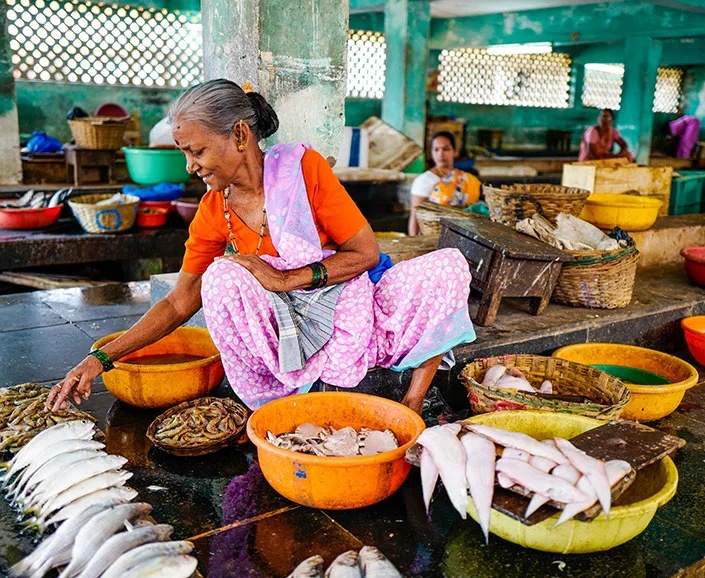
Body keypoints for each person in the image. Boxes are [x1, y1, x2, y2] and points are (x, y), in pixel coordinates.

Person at [47, 79, 476, 415]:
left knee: (449, 268)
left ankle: (413, 402)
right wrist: (101, 358)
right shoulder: (216, 209)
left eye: (196, 150)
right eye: (184, 153)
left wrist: (288, 278)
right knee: (222, 277)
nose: (189, 166)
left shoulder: (301, 169)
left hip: (349, 308)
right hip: (286, 329)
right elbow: (180, 303)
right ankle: (276, 400)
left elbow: (363, 254)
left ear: (238, 134)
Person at [408, 131, 481, 235]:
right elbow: (415, 216)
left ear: (455, 151)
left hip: (466, 235)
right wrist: (414, 242)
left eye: (446, 149)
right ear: (431, 153)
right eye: (436, 149)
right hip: (433, 237)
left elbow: (475, 210)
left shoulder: (468, 179)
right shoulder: (424, 180)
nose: (441, 153)